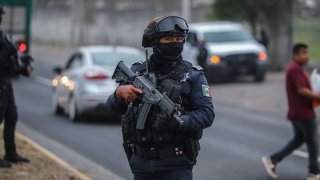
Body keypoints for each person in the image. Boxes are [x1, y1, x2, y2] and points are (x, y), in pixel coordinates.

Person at [106, 16, 215, 180]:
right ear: (155, 42)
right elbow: (113, 108)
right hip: (140, 164)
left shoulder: (192, 75)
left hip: (176, 164)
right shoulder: (137, 71)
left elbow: (207, 114)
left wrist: (178, 121)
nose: (175, 43)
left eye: (178, 39)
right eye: (168, 38)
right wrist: (119, 93)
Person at [262, 43, 320, 180]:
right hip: (303, 113)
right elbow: (301, 90)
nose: (307, 56)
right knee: (313, 142)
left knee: (299, 139)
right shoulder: (295, 69)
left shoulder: (298, 69)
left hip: (299, 112)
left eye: (307, 52)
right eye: (303, 53)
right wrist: (317, 96)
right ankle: (314, 172)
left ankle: (273, 159)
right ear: (296, 55)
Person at [0, 6, 32, 168]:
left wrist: (22, 68)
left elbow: (8, 61)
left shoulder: (2, 36)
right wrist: (8, 49)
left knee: (12, 116)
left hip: (5, 82)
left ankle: (10, 152)